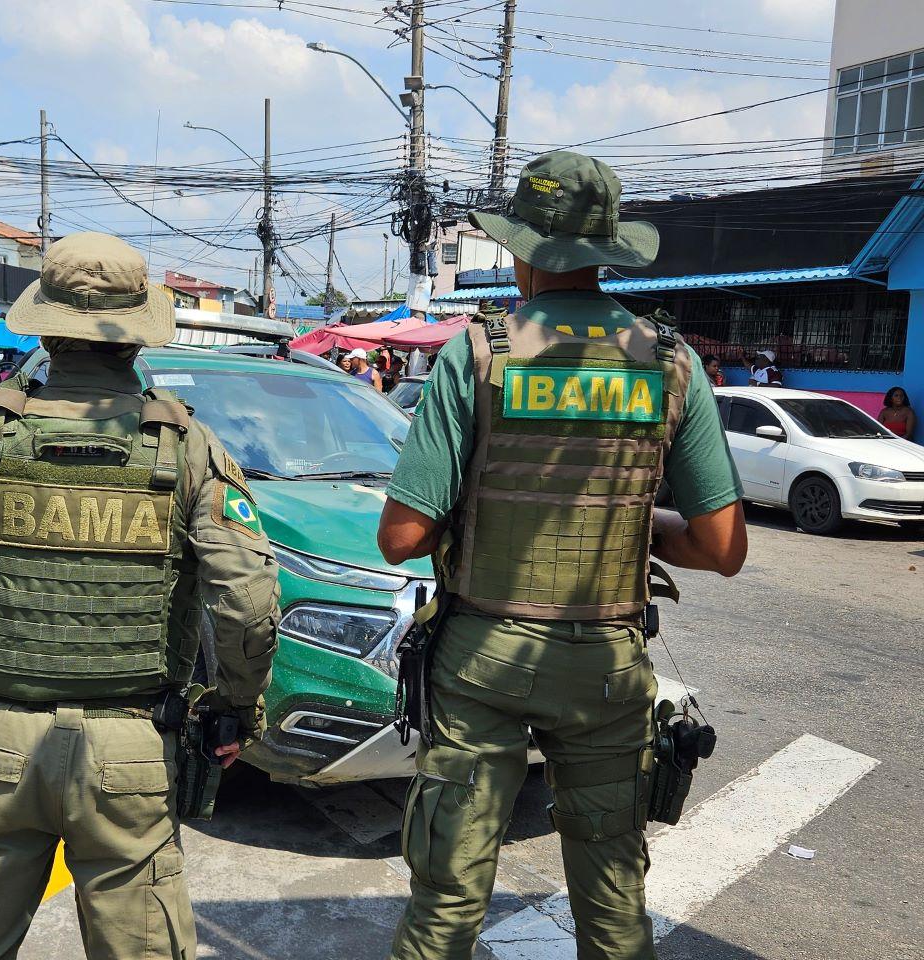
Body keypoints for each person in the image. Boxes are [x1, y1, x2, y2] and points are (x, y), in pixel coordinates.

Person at [377, 151, 748, 960]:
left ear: (522, 251)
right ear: (609, 250)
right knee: (615, 910)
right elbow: (723, 549)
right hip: (607, 667)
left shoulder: (477, 355)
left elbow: (402, 537)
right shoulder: (670, 362)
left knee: (445, 906)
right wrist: (643, 528)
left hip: (481, 661)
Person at [0, 232, 280, 960]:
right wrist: (233, 706)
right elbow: (248, 603)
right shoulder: (189, 445)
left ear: (46, 328)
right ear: (136, 338)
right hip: (132, 752)